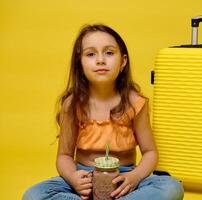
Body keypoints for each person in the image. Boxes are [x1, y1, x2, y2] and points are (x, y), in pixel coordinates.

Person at [23, 24, 184, 200]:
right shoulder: (72, 104)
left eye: (109, 52)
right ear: (80, 64)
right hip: (84, 177)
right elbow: (64, 156)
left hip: (123, 178)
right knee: (33, 195)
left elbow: (150, 152)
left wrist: (134, 177)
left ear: (122, 62)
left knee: (172, 188)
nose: (100, 60)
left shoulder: (134, 102)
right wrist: (74, 178)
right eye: (91, 54)